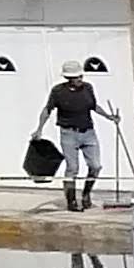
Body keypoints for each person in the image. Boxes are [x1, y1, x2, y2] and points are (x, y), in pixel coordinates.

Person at [37, 64, 116, 209]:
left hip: (88, 132)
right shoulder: (58, 91)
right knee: (72, 168)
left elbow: (94, 106)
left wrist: (109, 117)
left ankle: (86, 194)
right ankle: (71, 200)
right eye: (76, 77)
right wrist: (39, 129)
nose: (80, 79)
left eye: (81, 76)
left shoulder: (88, 88)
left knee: (95, 166)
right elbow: (47, 110)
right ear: (69, 78)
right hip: (68, 133)